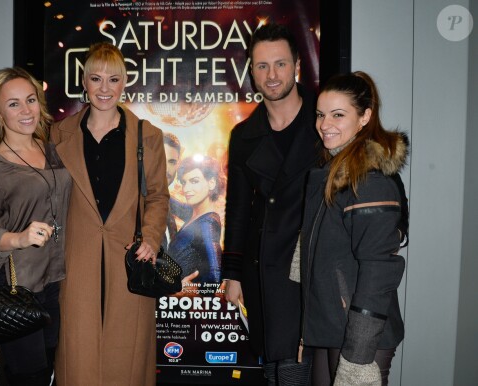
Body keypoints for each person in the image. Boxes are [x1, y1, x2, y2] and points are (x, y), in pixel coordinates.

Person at [50, 42, 169, 385]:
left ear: (125, 82)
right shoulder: (59, 134)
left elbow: (159, 197)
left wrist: (150, 237)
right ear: (84, 82)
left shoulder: (148, 135)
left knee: (127, 361)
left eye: (113, 79)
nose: (105, 88)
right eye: (96, 79)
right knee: (78, 358)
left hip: (130, 260)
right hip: (76, 260)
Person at [222, 23, 320, 385]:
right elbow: (237, 210)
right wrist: (232, 274)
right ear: (251, 72)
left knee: (303, 363)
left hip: (312, 265)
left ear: (297, 64)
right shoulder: (244, 136)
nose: (271, 75)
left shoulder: (325, 122)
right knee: (273, 367)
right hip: (263, 267)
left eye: (280, 64)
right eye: (262, 66)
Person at [301, 71, 408, 386]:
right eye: (321, 115)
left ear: (365, 117)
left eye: (338, 115)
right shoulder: (333, 171)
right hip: (334, 324)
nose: (324, 124)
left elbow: (379, 271)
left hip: (360, 333)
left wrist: (359, 353)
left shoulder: (369, 180)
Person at [0, 67, 72, 386]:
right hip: (16, 286)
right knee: (28, 378)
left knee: (54, 370)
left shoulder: (55, 150)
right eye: (13, 104)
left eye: (30, 100)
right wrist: (19, 237)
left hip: (56, 281)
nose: (25, 110)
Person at [168, 155, 225, 283]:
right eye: (184, 182)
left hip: (182, 301)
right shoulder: (193, 213)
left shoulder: (207, 223)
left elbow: (215, 276)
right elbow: (167, 200)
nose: (186, 189)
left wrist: (190, 290)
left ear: (211, 183)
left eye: (194, 181)